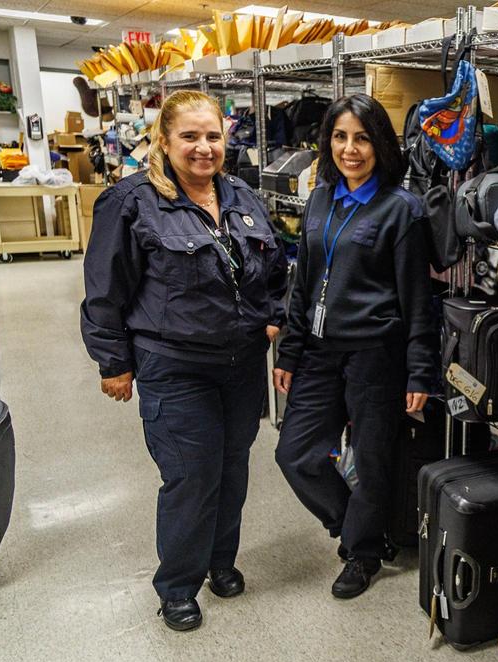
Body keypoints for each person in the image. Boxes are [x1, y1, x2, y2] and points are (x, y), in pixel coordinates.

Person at [81, 90, 287, 632]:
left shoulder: (242, 196)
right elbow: (105, 290)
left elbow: (275, 271)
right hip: (173, 363)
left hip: (241, 363)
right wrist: (112, 362)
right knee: (191, 475)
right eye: (190, 137)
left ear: (226, 138)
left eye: (213, 136)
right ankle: (177, 584)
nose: (203, 148)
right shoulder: (131, 201)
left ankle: (221, 561)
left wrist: (274, 315)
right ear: (165, 140)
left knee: (232, 469)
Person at [272, 94, 438, 599]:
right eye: (340, 137)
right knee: (295, 454)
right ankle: (357, 528)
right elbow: (303, 283)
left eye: (362, 138)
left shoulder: (402, 210)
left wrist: (419, 372)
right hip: (320, 351)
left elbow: (419, 300)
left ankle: (362, 554)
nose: (350, 149)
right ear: (328, 143)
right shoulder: (320, 198)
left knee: (371, 461)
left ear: (379, 144)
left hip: (375, 355)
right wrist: (290, 350)